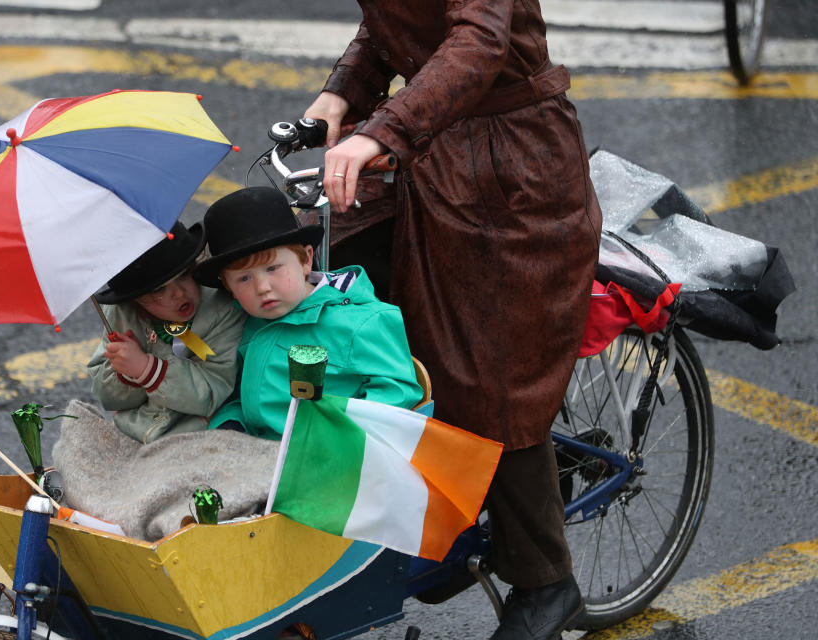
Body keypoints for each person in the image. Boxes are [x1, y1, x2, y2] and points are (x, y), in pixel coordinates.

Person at [303, 2, 603, 639]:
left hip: (515, 168)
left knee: (488, 371)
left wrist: (380, 128)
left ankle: (547, 582)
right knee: (327, 293)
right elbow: (395, 27)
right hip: (439, 152)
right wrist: (341, 93)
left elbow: (478, 40)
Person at [193, 186, 423, 439]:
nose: (262, 288)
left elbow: (399, 392)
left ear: (306, 260)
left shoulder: (362, 323)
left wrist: (341, 439)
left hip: (327, 457)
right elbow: (241, 394)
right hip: (256, 452)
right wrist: (230, 424)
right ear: (228, 288)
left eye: (272, 268)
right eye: (244, 278)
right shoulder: (249, 322)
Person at [88, 221, 246, 444]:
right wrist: (126, 372)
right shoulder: (121, 315)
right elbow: (108, 398)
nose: (180, 293)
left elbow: (215, 386)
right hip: (135, 430)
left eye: (184, 275)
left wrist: (147, 369)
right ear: (134, 298)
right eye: (159, 290)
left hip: (202, 430)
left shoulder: (220, 309)